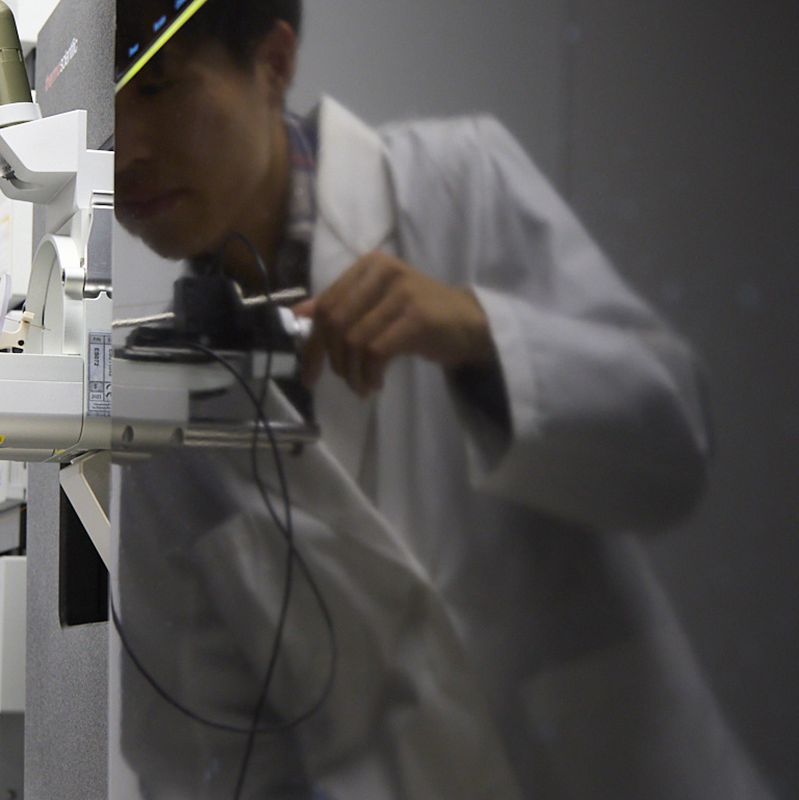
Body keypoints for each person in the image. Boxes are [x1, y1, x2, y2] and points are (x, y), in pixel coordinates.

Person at [115, 0, 774, 798]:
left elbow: (676, 446)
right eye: (102, 103)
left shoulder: (457, 185)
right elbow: (202, 762)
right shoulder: (162, 411)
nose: (125, 148)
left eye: (156, 85)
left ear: (274, 63)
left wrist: (483, 334)